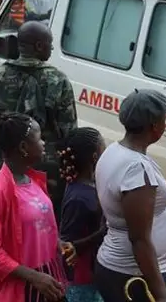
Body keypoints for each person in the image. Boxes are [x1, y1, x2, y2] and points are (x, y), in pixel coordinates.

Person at [0, 112, 73, 302]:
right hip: (18, 289)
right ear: (23, 147)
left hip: (43, 283)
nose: (44, 142)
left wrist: (57, 243)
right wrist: (34, 277)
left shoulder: (33, 180)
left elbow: (36, 226)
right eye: (39, 138)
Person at [0, 21, 78, 209]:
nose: (52, 48)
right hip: (46, 176)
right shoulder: (58, 81)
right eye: (50, 43)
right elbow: (69, 135)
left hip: (5, 171)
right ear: (39, 46)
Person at [94, 89, 166, 302]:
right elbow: (139, 239)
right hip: (133, 276)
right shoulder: (136, 169)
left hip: (120, 270)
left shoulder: (115, 150)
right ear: (155, 127)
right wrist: (162, 296)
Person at [58, 128, 107, 302]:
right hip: (82, 283)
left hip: (93, 277)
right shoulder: (79, 198)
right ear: (95, 157)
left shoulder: (86, 187)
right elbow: (66, 244)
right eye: (104, 149)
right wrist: (104, 231)